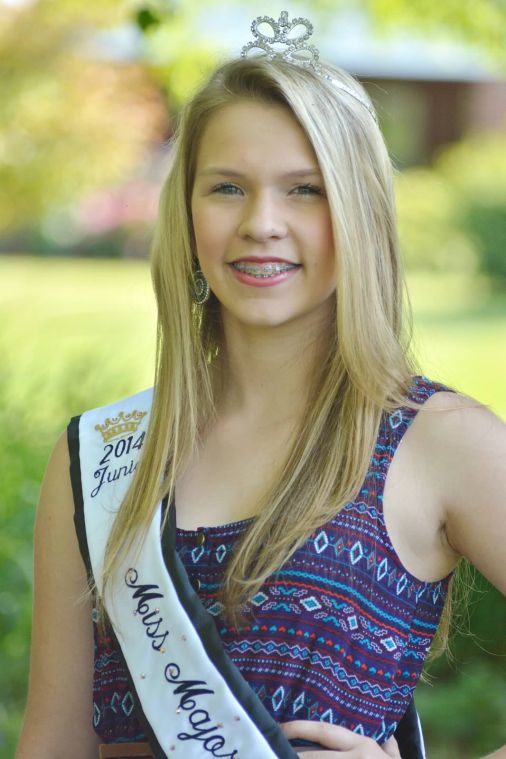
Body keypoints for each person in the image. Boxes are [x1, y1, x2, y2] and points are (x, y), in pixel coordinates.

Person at [16, 11, 506, 759]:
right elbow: (53, 743)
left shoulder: (439, 440)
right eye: (227, 188)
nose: (262, 223)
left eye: (305, 189)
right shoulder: (99, 458)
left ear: (360, 214)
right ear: (187, 212)